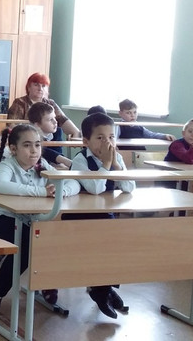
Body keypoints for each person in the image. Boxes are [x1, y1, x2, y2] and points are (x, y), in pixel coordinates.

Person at [0, 124, 79, 317]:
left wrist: (62, 191)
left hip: (33, 221)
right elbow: (1, 185)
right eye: (27, 145)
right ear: (14, 149)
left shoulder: (42, 165)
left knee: (51, 242)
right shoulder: (8, 164)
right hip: (4, 219)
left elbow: (73, 182)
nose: (34, 150)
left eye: (37, 145)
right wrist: (41, 192)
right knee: (26, 247)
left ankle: (46, 283)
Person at [69, 112, 135, 319]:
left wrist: (117, 166)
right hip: (80, 218)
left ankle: (104, 289)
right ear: (86, 141)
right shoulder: (80, 161)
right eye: (100, 137)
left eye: (111, 137)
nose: (107, 142)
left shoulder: (117, 158)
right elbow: (95, 189)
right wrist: (106, 165)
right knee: (105, 244)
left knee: (117, 245)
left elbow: (129, 187)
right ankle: (101, 291)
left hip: (104, 215)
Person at [7, 73, 81, 138]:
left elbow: (62, 119)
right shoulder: (20, 102)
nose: (40, 89)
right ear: (29, 87)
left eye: (43, 86)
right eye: (36, 85)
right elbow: (12, 125)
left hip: (49, 140)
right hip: (28, 138)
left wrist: (75, 132)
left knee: (58, 132)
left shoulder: (50, 103)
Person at [29, 102, 72, 169]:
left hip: (53, 165)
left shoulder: (57, 132)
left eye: (54, 118)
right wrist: (63, 160)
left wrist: (60, 160)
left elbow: (58, 152)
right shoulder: (30, 134)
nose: (55, 122)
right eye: (50, 120)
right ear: (37, 124)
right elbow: (41, 151)